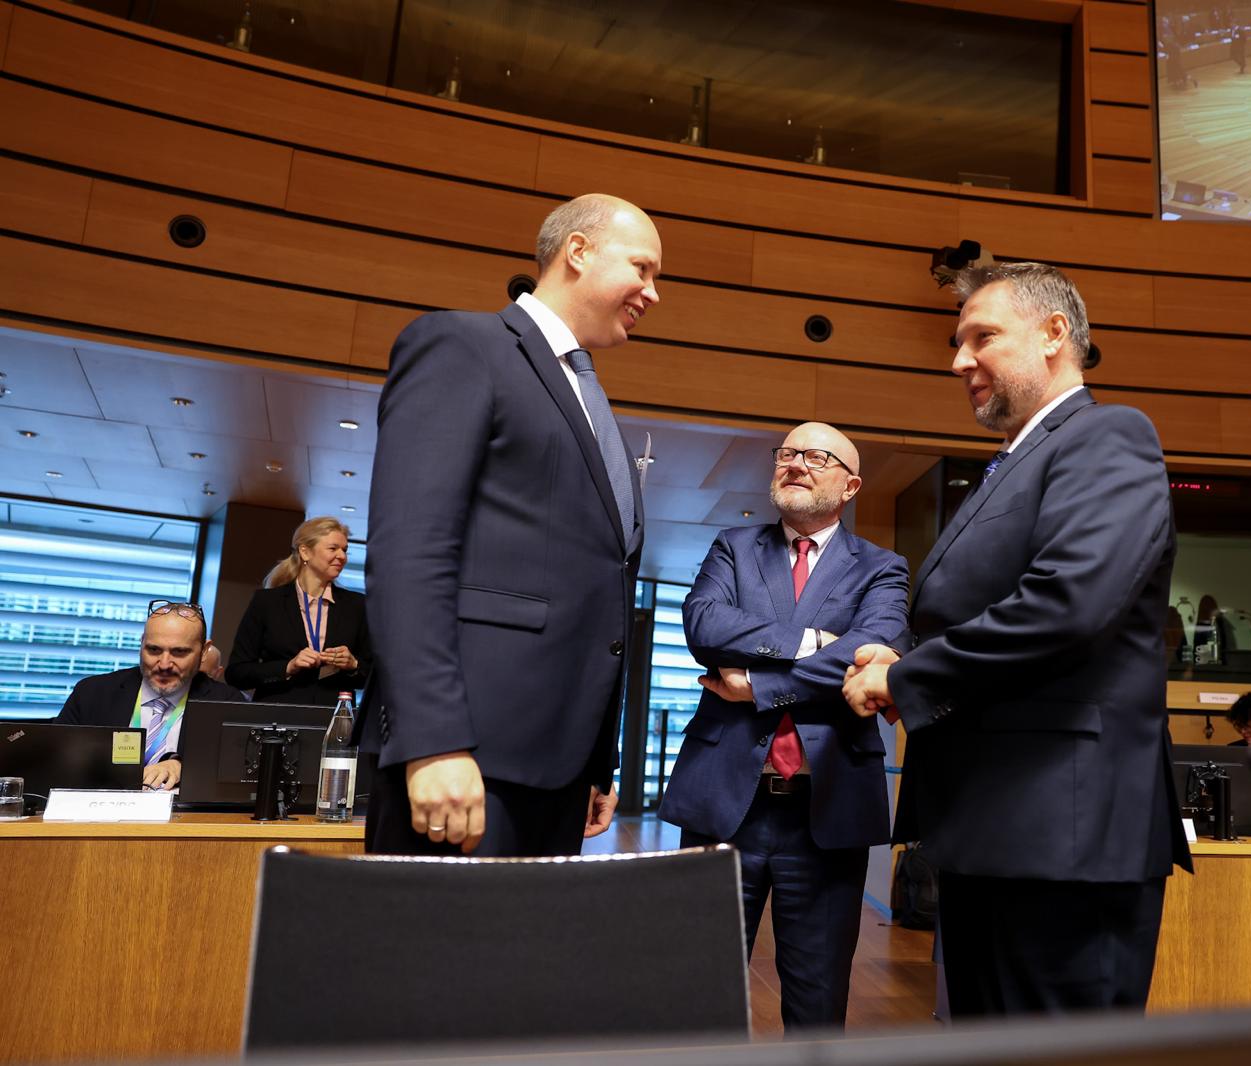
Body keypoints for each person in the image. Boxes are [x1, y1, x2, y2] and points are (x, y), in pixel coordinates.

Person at [842, 262, 1192, 1017]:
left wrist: (905, 680)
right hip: (997, 826)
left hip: (1064, 837)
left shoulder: (1108, 434)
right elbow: (984, 608)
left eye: (982, 337)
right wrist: (905, 657)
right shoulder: (1015, 462)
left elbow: (1067, 604)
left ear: (1054, 334)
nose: (959, 360)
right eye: (958, 341)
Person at [364, 193, 659, 857]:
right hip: (464, 757)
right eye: (641, 269)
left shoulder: (589, 395)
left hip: (557, 771)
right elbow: (412, 551)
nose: (652, 292)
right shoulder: (463, 346)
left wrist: (597, 761)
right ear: (577, 251)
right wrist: (433, 740)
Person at [660, 422, 910, 1032]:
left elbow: (873, 649)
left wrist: (759, 685)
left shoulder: (882, 568)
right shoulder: (734, 547)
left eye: (816, 456)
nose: (795, 463)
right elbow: (705, 625)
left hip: (827, 810)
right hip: (723, 804)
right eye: (788, 452)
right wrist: (816, 642)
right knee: (699, 992)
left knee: (816, 1003)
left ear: (850, 486)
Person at [55, 601, 246, 790]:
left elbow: (238, 773)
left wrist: (184, 767)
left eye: (179, 652)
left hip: (180, 809)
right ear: (141, 644)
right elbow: (55, 761)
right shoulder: (93, 693)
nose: (164, 664)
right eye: (154, 650)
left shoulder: (227, 704)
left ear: (203, 651)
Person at [225, 516, 370, 706]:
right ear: (305, 552)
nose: (342, 556)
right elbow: (236, 673)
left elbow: (373, 674)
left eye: (345, 550)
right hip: (277, 717)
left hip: (333, 717)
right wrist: (288, 667)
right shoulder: (267, 603)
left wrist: (353, 665)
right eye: (333, 548)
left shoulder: (357, 605)